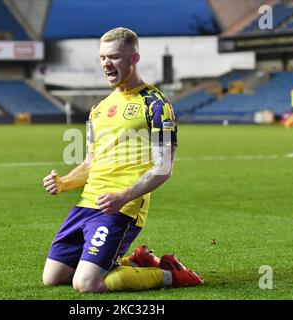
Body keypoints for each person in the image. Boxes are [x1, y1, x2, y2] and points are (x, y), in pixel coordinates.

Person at [42, 27, 203, 293]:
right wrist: (64, 183)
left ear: (134, 58)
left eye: (114, 57)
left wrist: (123, 197)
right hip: (87, 205)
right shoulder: (98, 110)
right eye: (103, 57)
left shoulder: (156, 104)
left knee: (86, 283)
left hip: (120, 209)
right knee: (53, 276)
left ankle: (170, 274)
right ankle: (136, 261)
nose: (106, 63)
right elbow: (91, 163)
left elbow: (163, 169)